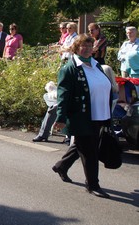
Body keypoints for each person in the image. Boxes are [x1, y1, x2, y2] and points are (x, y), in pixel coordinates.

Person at [51, 34, 112, 199]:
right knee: (90, 151)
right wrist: (61, 117)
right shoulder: (70, 69)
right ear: (76, 48)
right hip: (81, 116)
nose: (86, 49)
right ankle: (93, 184)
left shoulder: (96, 65)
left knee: (83, 145)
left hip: (99, 114)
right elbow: (64, 95)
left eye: (89, 46)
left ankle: (61, 166)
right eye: (82, 46)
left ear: (93, 48)